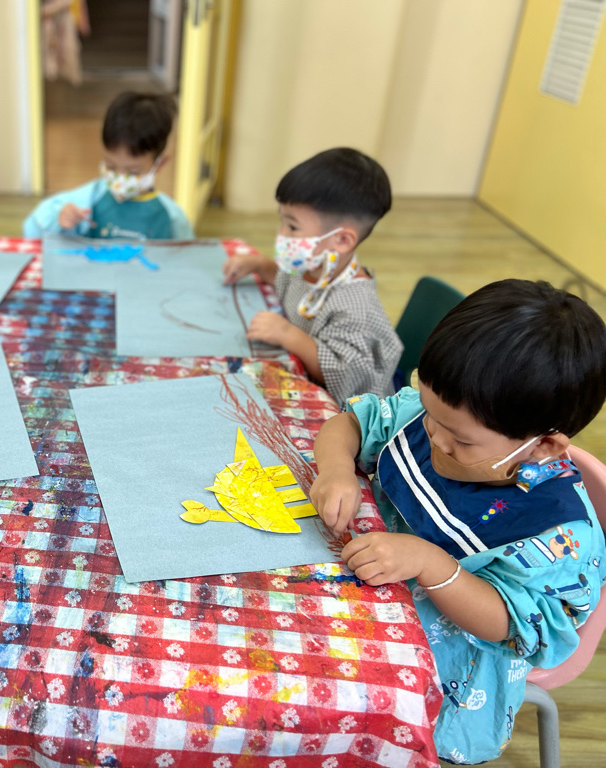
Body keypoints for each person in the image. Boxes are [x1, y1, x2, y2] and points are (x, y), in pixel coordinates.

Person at [310, 279, 606, 764]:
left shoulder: (559, 534)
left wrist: (432, 564)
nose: (433, 436)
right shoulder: (441, 416)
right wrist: (337, 470)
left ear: (544, 446)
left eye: (461, 441)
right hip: (368, 595)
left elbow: (510, 623)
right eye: (429, 413)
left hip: (449, 669)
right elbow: (350, 424)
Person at [222, 147, 401, 406]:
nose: (282, 234)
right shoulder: (312, 268)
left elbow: (342, 375)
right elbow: (289, 282)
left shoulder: (356, 307)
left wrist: (288, 334)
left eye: (292, 226)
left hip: (346, 415)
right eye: (283, 221)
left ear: (342, 240)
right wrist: (260, 265)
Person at [23, 91, 192, 240]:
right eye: (111, 167)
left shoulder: (171, 217)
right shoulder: (90, 198)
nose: (119, 179)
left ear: (160, 164)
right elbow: (33, 227)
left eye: (133, 172)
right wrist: (59, 218)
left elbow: (187, 256)